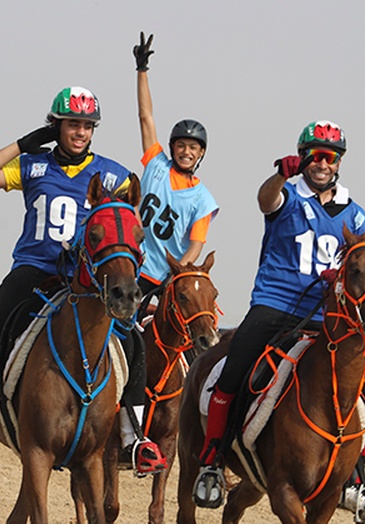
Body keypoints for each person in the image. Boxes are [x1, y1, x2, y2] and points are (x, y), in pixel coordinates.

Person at [0, 86, 167, 476]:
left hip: (86, 277)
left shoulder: (112, 173)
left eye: (87, 125)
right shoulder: (33, 165)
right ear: (57, 126)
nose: (80, 132)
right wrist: (23, 144)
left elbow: (130, 218)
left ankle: (134, 436)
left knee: (129, 335)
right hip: (35, 267)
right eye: (72, 124)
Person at [193, 121, 365, 520]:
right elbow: (265, 199)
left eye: (328, 157)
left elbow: (363, 262)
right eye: (314, 155)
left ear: (338, 163)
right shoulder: (287, 196)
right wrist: (282, 173)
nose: (321, 163)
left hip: (325, 318)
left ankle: (356, 479)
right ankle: (213, 457)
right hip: (275, 306)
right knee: (234, 368)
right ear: (303, 157)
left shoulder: (356, 212)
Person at [118, 32, 220, 461]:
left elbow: (196, 246)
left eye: (193, 148)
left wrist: (181, 272)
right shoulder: (156, 165)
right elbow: (146, 118)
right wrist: (142, 71)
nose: (184, 151)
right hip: (131, 271)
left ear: (200, 155)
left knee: (196, 340)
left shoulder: (203, 198)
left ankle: (194, 429)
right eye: (180, 144)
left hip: (166, 280)